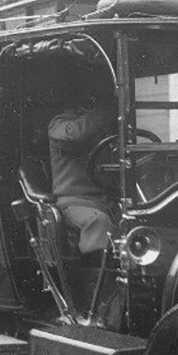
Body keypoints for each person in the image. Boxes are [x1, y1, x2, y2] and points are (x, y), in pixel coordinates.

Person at [47, 87, 118, 254]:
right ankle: (99, 273)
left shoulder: (102, 130)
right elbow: (74, 135)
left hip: (105, 200)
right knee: (98, 221)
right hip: (74, 202)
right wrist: (102, 113)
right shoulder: (58, 125)